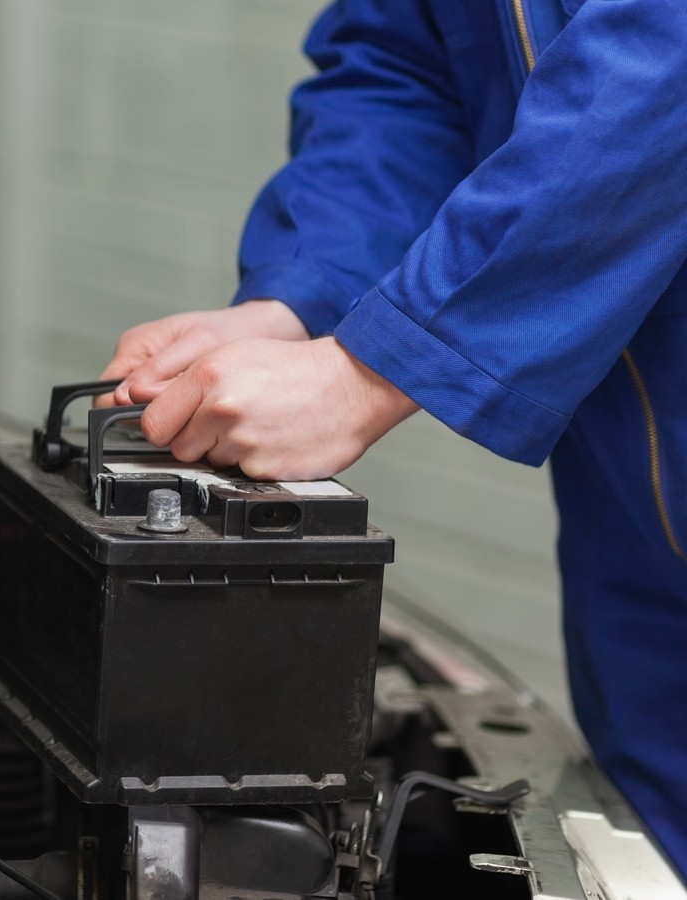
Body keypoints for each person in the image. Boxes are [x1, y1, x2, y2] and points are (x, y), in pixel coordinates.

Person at [97, 0, 687, 873]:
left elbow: (664, 63)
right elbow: (404, 58)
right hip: (640, 516)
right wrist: (302, 300)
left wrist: (367, 369)